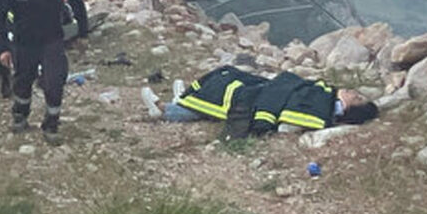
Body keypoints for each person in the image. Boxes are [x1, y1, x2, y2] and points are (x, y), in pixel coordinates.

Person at [0, 0, 88, 143]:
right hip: (23, 41)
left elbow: (77, 3)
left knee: (54, 82)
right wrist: (2, 48)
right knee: (23, 82)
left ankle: (51, 125)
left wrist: (83, 33)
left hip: (52, 39)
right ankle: (20, 115)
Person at [163, 65, 380, 136]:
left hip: (260, 98)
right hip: (268, 89)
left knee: (230, 92)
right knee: (230, 75)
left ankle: (170, 109)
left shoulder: (322, 105)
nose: (352, 92)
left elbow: (290, 111)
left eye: (357, 97)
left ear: (350, 108)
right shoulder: (323, 96)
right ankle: (183, 99)